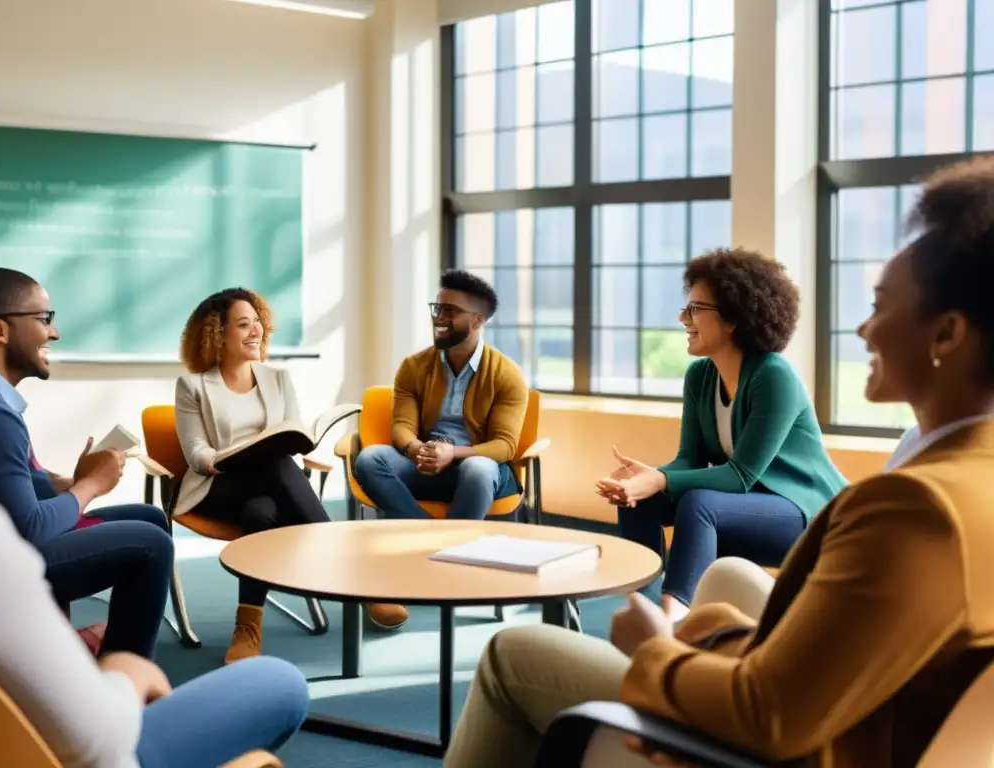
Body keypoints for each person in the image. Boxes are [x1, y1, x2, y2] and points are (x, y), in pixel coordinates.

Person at [443, 155, 994, 768]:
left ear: (946, 335)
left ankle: (665, 617)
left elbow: (772, 715)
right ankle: (668, 603)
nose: (864, 329)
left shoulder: (914, 506)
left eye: (882, 304)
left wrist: (658, 651)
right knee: (715, 577)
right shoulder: (966, 473)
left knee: (511, 653)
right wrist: (717, 632)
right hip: (857, 712)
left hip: (790, 729)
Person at [0, 490, 309, 768]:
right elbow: (100, 742)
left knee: (263, 501)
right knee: (281, 681)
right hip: (106, 753)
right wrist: (125, 672)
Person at [596, 248, 847, 621]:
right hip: (746, 506)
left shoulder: (774, 375)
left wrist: (660, 479)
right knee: (639, 501)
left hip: (805, 515)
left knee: (700, 503)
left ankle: (673, 624)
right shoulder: (700, 377)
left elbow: (740, 475)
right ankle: (643, 607)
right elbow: (690, 460)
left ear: (733, 318)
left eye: (696, 309)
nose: (683, 318)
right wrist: (647, 481)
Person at [0, 267, 173, 660]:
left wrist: (67, 483)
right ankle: (121, 687)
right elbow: (30, 529)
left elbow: (7, 483)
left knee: (149, 518)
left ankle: (60, 649)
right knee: (152, 545)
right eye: (44, 319)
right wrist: (91, 486)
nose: (54, 332)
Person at [354, 269, 528, 630]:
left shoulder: (507, 374)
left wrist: (454, 454)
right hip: (423, 464)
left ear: (477, 320)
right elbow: (400, 425)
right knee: (370, 459)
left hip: (477, 473)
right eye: (438, 307)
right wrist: (419, 450)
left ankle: (430, 563)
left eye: (450, 310)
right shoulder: (414, 366)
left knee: (478, 468)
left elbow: (505, 445)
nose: (439, 317)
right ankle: (437, 552)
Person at [175, 287, 331, 664]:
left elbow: (290, 434)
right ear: (218, 334)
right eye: (243, 324)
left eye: (257, 322)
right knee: (273, 465)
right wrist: (219, 458)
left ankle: (247, 627)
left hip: (267, 490)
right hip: (218, 485)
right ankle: (342, 558)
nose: (255, 331)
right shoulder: (193, 386)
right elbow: (195, 451)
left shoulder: (278, 378)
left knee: (260, 513)